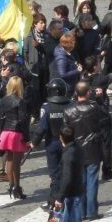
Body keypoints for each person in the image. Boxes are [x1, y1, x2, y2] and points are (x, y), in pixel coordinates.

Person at [63, 81, 111, 220]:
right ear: (88, 93)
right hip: (93, 148)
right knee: (92, 181)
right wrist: (102, 99)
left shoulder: (68, 111)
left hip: (76, 149)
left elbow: (65, 131)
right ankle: (91, 211)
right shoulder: (95, 108)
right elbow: (106, 118)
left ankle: (82, 212)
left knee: (80, 182)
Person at [32, 78, 70, 211]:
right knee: (66, 171)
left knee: (55, 174)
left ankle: (53, 200)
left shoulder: (47, 107)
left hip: (52, 143)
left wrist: (34, 142)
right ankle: (63, 199)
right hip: (68, 143)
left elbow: (41, 128)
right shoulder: (70, 105)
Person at [0, 76, 31, 200]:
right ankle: (17, 187)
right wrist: (27, 138)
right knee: (17, 163)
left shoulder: (4, 100)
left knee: (9, 161)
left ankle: (11, 185)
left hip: (5, 132)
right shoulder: (20, 101)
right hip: (16, 133)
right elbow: (23, 120)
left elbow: (1, 118)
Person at [54, 125, 85, 222]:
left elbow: (67, 178)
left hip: (70, 193)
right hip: (77, 189)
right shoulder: (77, 148)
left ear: (61, 138)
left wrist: (59, 197)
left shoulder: (68, 154)